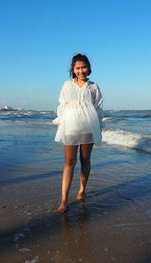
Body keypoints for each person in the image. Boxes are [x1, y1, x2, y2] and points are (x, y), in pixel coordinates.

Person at [53, 53, 104, 214]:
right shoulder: (67, 85)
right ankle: (63, 200)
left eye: (84, 67)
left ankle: (82, 190)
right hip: (70, 125)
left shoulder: (94, 86)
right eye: (78, 68)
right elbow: (62, 104)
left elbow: (99, 107)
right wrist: (59, 121)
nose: (81, 70)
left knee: (85, 159)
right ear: (73, 69)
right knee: (69, 161)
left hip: (89, 125)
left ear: (88, 68)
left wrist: (100, 125)